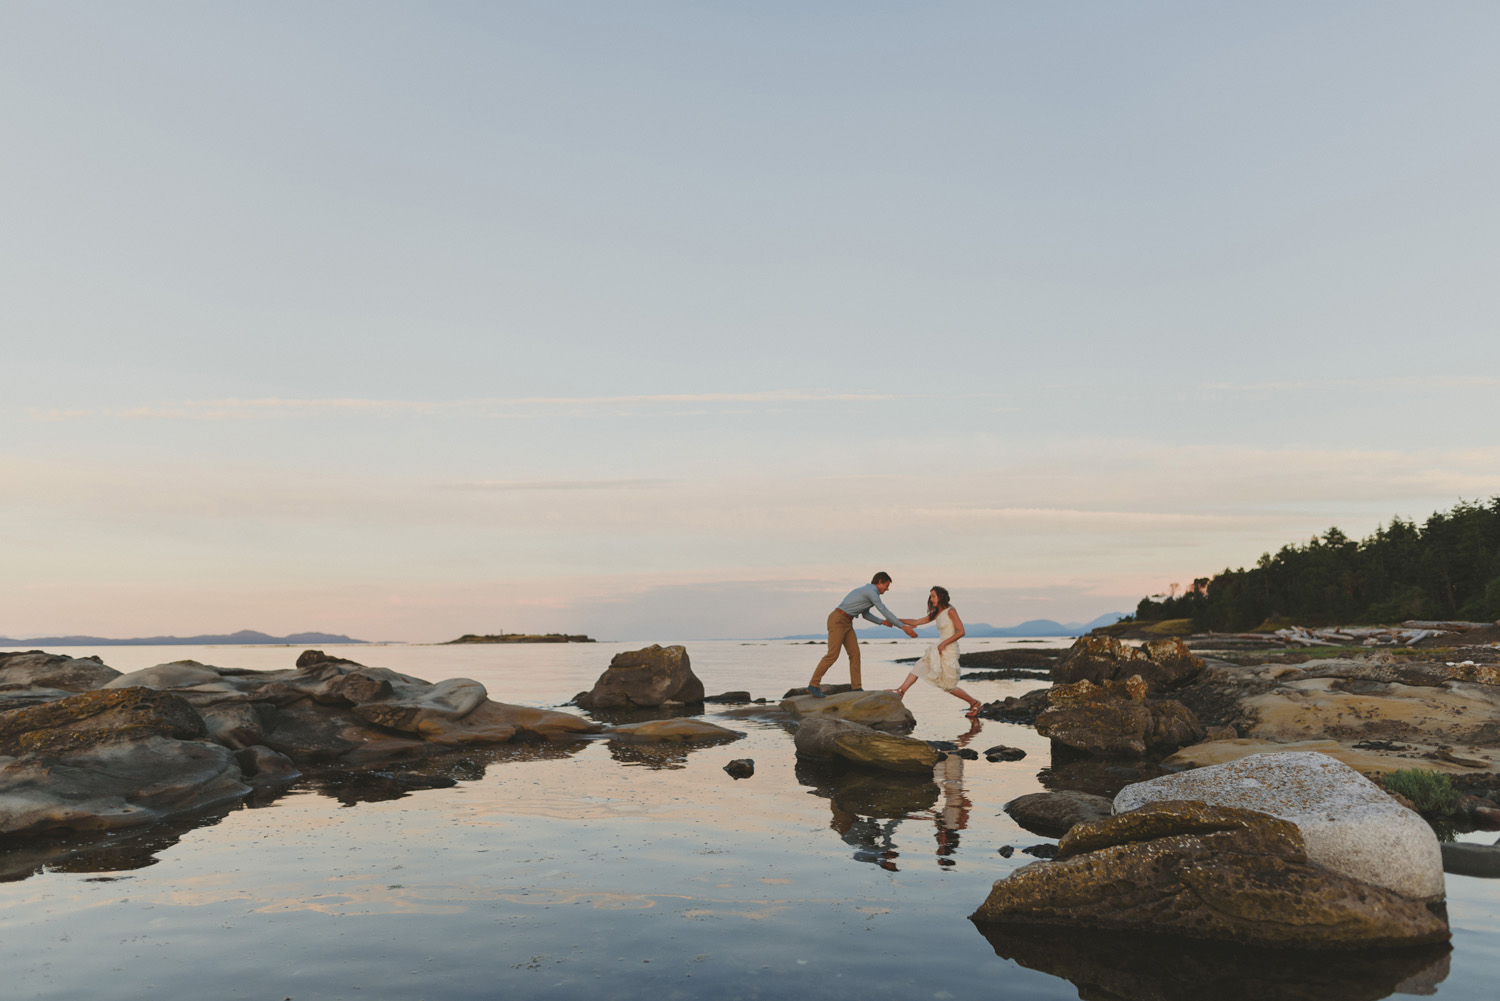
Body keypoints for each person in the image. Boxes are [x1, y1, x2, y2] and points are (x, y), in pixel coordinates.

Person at [806, 572, 917, 696]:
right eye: (886, 585)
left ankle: (856, 688)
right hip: (837, 620)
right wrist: (903, 627)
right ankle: (813, 685)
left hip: (847, 622)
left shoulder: (869, 592)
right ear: (879, 582)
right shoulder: (871, 591)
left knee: (855, 654)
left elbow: (865, 614)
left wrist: (882, 622)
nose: (887, 589)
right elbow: (883, 610)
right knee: (832, 655)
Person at [888, 586, 983, 717]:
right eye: (930, 596)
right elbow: (916, 621)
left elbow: (961, 631)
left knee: (947, 685)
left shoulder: (951, 611)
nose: (931, 599)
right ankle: (901, 691)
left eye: (933, 596)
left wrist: (943, 643)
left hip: (948, 648)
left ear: (941, 597)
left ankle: (974, 702)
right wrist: (895, 620)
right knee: (919, 665)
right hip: (938, 648)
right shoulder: (936, 613)